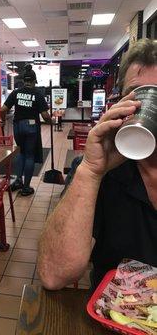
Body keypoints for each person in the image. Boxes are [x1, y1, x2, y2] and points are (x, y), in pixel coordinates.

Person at [38, 38, 157, 290]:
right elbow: (53, 275)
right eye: (139, 95)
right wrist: (90, 172)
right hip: (119, 315)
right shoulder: (100, 169)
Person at [0, 65, 52, 196]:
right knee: (30, 155)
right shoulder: (37, 94)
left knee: (21, 153)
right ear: (34, 81)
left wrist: (3, 120)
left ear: (24, 81)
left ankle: (18, 181)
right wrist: (51, 122)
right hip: (31, 127)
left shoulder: (16, 93)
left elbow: (2, 109)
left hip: (17, 127)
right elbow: (45, 116)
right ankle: (26, 188)